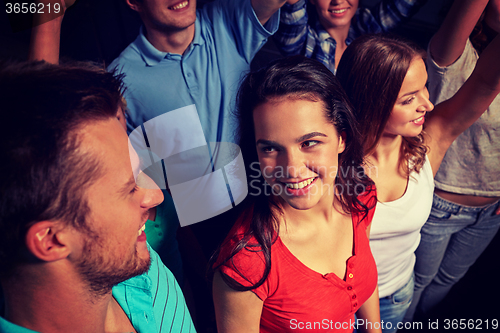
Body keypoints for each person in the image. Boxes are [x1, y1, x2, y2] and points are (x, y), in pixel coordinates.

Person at [0, 60, 196, 333]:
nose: (156, 196)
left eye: (139, 173)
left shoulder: (139, 266)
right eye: (129, 188)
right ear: (51, 240)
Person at [335, 31, 500, 332]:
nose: (428, 104)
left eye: (424, 88)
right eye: (409, 99)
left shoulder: (428, 143)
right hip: (333, 303)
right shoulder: (329, 160)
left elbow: (486, 82)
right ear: (371, 101)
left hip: (395, 296)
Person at [211, 56, 381, 333]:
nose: (291, 169)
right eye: (270, 149)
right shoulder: (247, 262)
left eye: (309, 142)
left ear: (342, 138)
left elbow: (364, 280)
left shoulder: (361, 196)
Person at [405, 0, 500, 321]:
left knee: (447, 282)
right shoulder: (454, 55)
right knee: (416, 282)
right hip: (440, 204)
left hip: (491, 212)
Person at [274, 0, 428, 73]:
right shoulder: (304, 44)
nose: (338, 1)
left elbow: (404, 4)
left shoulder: (368, 28)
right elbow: (292, 16)